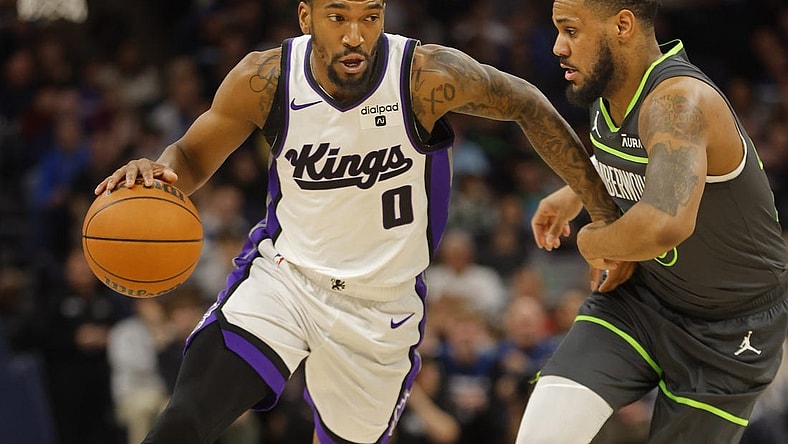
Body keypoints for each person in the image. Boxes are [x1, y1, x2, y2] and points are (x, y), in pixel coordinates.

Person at [95, 1, 619, 442]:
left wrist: (601, 214)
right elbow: (189, 158)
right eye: (338, 16)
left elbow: (526, 102)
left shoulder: (422, 76)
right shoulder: (265, 78)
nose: (355, 36)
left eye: (370, 17)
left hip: (380, 308)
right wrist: (159, 173)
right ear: (306, 18)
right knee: (184, 419)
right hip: (286, 281)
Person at [516, 1, 788, 443]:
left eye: (570, 31)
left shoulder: (679, 103)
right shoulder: (609, 87)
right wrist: (576, 192)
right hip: (641, 300)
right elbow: (633, 157)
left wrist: (593, 242)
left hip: (731, 328)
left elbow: (664, 223)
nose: (558, 47)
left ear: (622, 25)